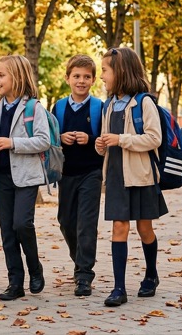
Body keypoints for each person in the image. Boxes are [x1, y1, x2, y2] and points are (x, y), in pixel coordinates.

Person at [94, 47, 168, 307]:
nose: (101, 76)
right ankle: (119, 288)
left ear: (121, 71)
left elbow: (154, 138)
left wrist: (121, 139)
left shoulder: (144, 102)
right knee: (119, 227)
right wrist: (101, 145)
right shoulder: (109, 104)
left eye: (105, 70)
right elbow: (105, 137)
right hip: (115, 175)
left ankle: (151, 274)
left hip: (141, 177)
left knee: (144, 228)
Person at [0, 55, 51, 301]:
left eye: (2, 75)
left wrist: (13, 143)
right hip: (1, 176)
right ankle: (15, 282)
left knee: (22, 224)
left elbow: (44, 140)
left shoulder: (34, 107)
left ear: (17, 77)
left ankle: (35, 269)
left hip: (26, 177)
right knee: (7, 232)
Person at [53, 55, 104, 297]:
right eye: (76, 76)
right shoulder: (58, 107)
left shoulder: (99, 107)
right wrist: (61, 138)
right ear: (67, 78)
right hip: (66, 173)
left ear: (93, 80)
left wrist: (91, 140)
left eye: (86, 77)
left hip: (91, 173)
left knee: (87, 224)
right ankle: (79, 259)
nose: (81, 81)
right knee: (66, 221)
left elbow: (106, 140)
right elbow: (50, 139)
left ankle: (84, 275)